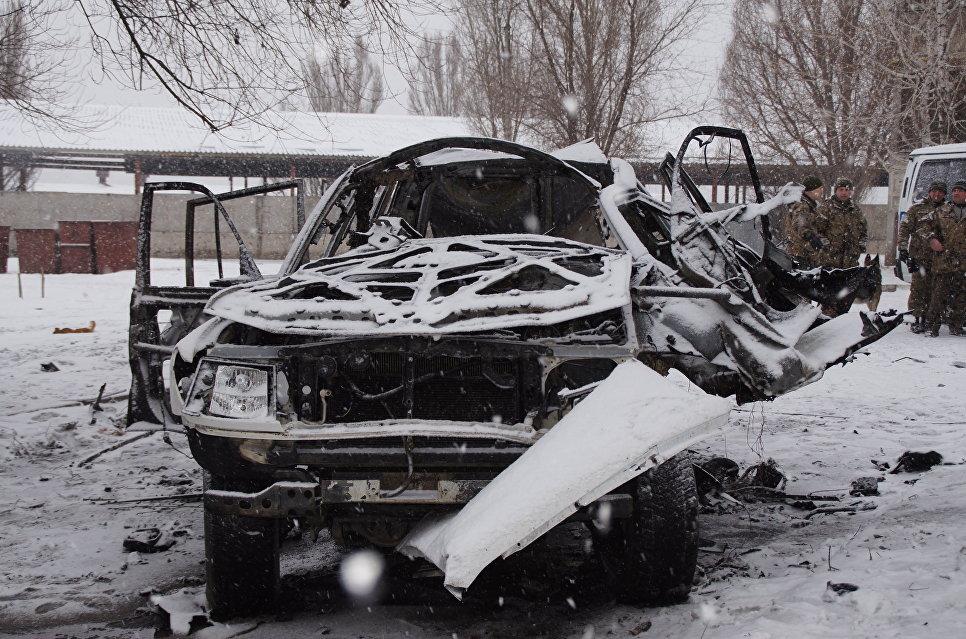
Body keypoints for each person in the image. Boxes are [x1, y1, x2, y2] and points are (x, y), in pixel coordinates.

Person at [812, 177, 869, 315]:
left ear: (851, 192)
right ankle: (823, 317)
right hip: (830, 260)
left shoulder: (855, 210)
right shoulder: (826, 208)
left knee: (845, 294)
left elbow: (863, 230)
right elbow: (816, 230)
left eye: (847, 190)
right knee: (828, 293)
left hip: (849, 260)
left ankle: (840, 318)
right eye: (841, 190)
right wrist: (826, 245)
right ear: (836, 191)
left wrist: (861, 244)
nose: (844, 192)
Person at [898, 181, 949, 332]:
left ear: (944, 194)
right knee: (918, 289)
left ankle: (931, 320)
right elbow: (904, 228)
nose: (937, 194)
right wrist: (902, 248)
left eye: (940, 192)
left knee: (936, 290)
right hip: (919, 256)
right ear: (929, 192)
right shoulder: (917, 209)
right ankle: (915, 318)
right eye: (934, 191)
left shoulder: (948, 210)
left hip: (940, 259)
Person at [924, 179, 966, 336]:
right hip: (944, 261)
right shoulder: (941, 211)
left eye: (960, 190)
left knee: (962, 296)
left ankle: (956, 326)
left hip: (963, 262)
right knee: (938, 295)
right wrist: (931, 239)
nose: (956, 192)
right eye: (954, 190)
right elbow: (925, 228)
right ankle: (931, 326)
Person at [783, 175, 825, 267]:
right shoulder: (802, 206)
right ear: (812, 190)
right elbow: (801, 226)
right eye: (820, 189)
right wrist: (811, 237)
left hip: (805, 253)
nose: (822, 191)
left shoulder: (810, 205)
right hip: (801, 254)